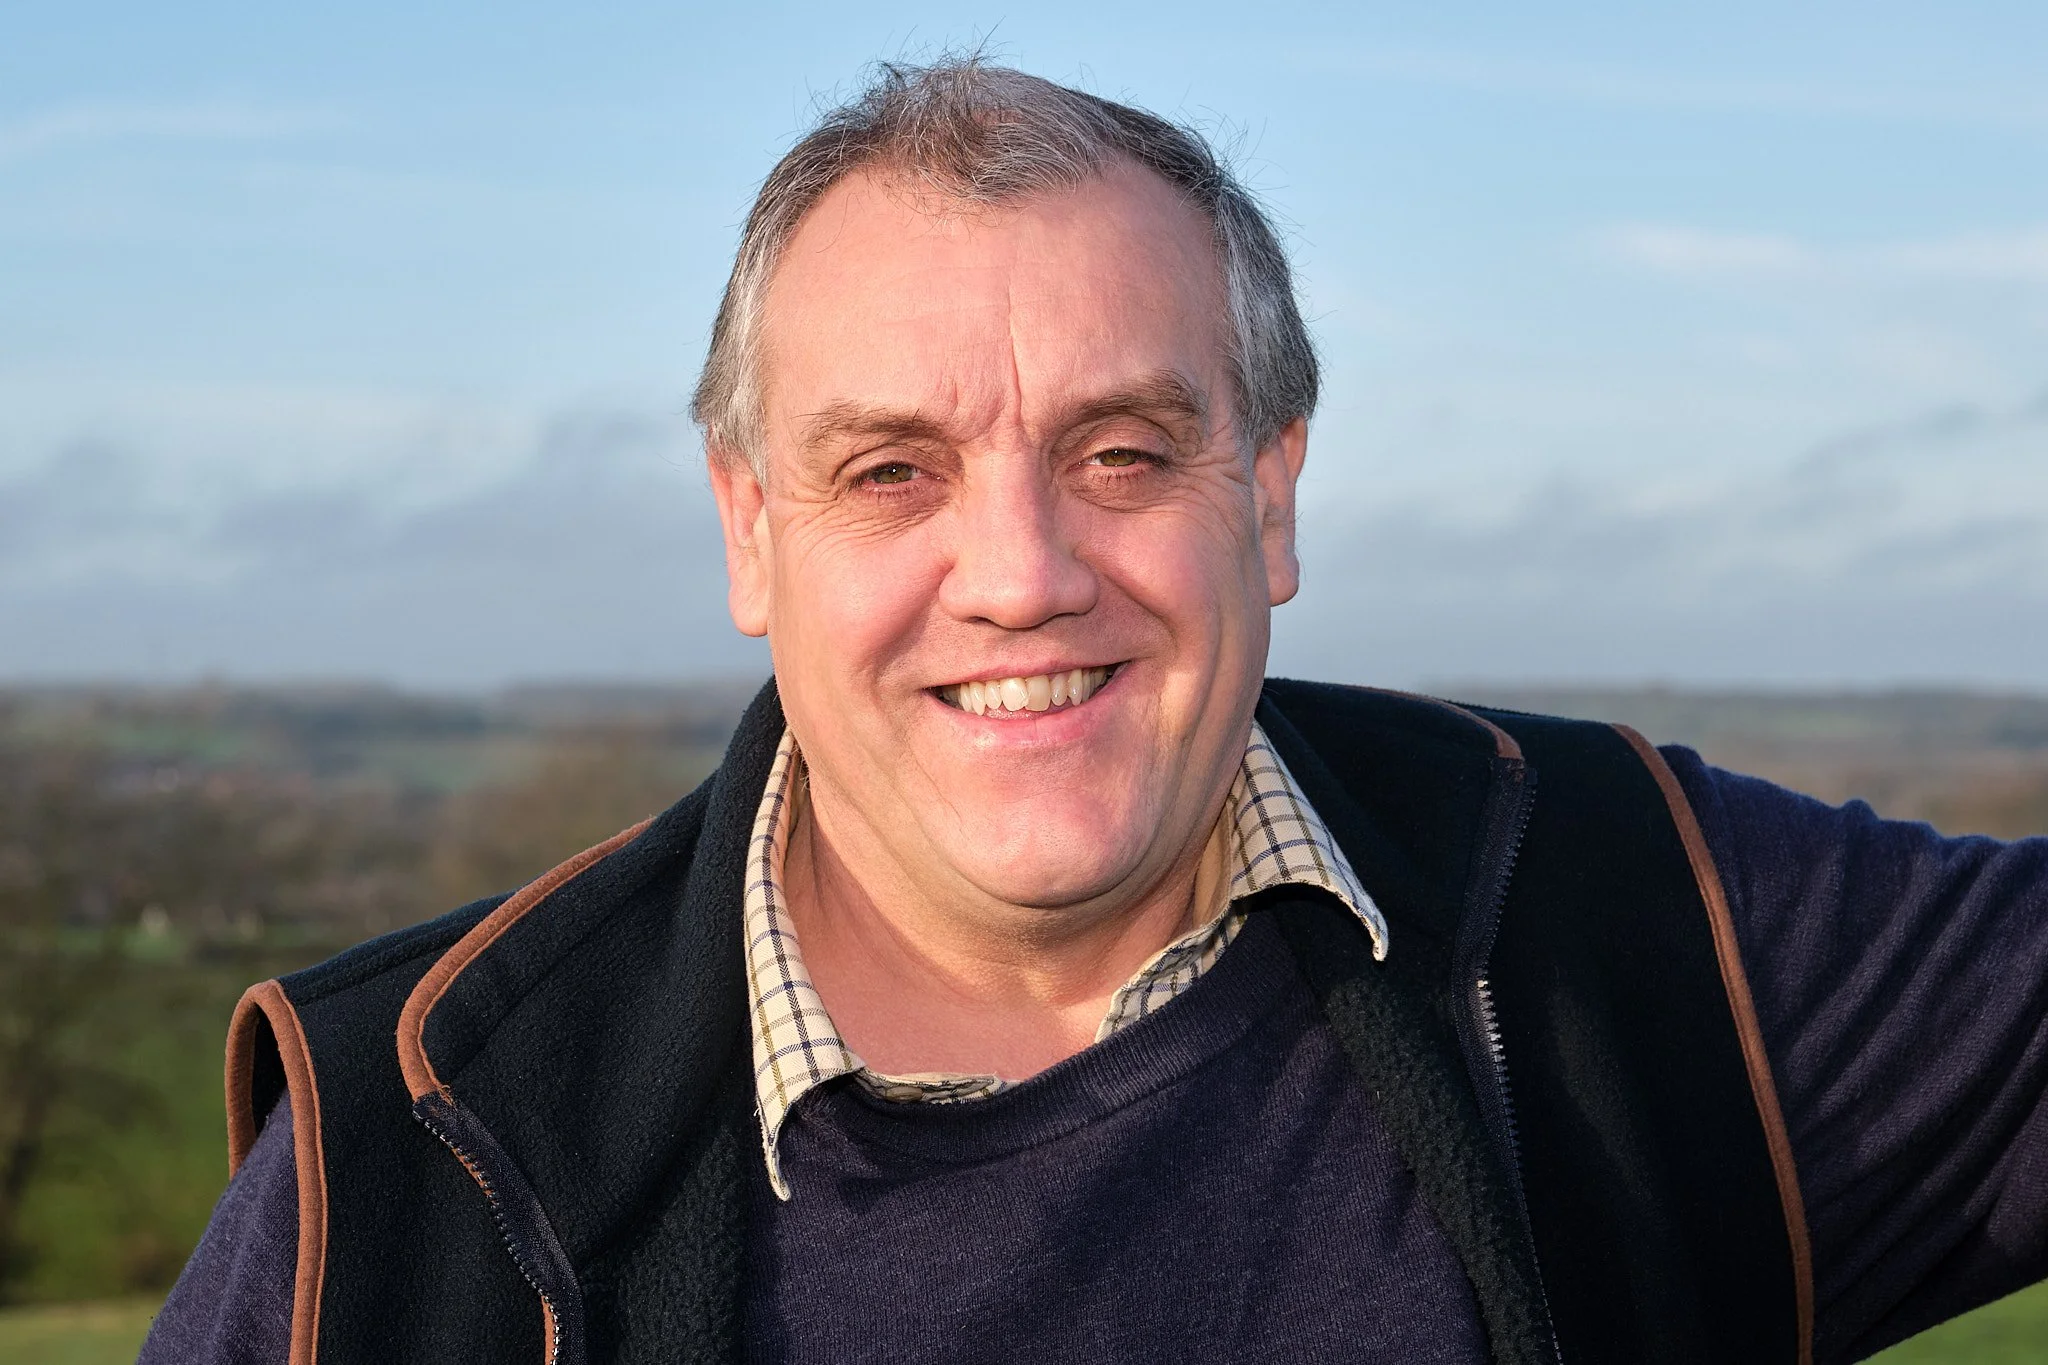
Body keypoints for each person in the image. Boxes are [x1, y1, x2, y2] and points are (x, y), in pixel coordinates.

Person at [142, 59, 2048, 1365]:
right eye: (892, 471)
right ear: (749, 534)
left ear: (1272, 493)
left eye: (1123, 450)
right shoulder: (413, 1151)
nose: (1022, 569)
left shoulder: (1626, 913)